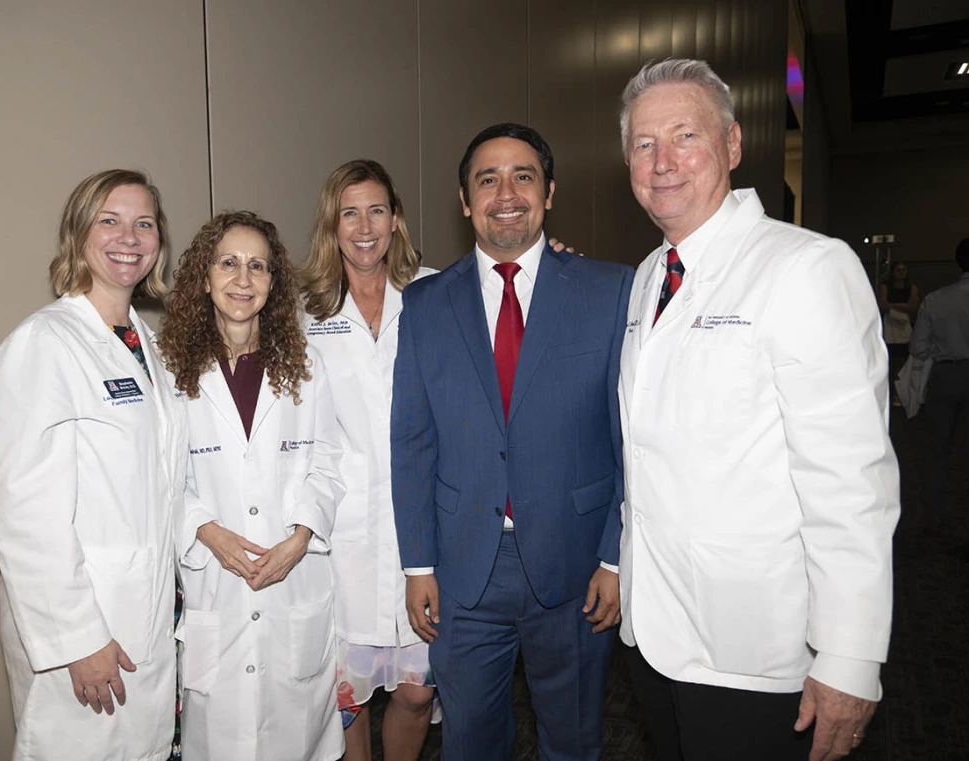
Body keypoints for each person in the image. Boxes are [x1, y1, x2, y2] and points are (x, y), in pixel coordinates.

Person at [616, 58, 899, 761]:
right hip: (653, 632)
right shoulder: (650, 275)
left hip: (754, 650)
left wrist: (850, 656)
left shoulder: (807, 268)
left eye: (685, 135)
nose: (663, 161)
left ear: (734, 144)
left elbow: (850, 480)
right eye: (644, 144)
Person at [391, 123, 633, 761]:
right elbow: (412, 441)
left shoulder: (610, 291)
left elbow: (629, 439)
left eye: (523, 176)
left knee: (575, 736)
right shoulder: (422, 305)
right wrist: (418, 565)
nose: (506, 192)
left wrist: (613, 555)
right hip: (463, 571)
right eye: (487, 179)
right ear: (465, 200)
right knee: (470, 742)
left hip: (576, 564)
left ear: (549, 192)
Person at [0, 169, 188, 761]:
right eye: (110, 220)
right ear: (79, 235)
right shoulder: (43, 344)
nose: (129, 236)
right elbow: (24, 513)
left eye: (144, 223)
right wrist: (77, 640)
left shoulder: (145, 346)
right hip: (87, 629)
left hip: (148, 616)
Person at [159, 210, 345, 761]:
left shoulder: (306, 363)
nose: (243, 279)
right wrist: (206, 531)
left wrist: (301, 537)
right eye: (229, 263)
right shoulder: (169, 369)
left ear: (273, 282)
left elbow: (330, 461)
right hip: (216, 585)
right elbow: (162, 476)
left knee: (296, 739)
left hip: (295, 580)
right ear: (205, 276)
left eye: (258, 266)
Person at [298, 159, 439, 761]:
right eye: (348, 212)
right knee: (344, 693)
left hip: (421, 529)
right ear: (332, 225)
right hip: (338, 532)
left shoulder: (435, 293)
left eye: (376, 210)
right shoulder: (303, 311)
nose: (363, 226)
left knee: (415, 691)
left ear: (395, 219)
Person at [909, 238, 969, 536]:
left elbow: (918, 348)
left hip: (947, 376)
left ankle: (934, 515)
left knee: (937, 449)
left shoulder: (936, 299)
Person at [879, 261, 920, 402]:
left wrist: (894, 305)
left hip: (904, 327)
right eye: (898, 270)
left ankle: (901, 393)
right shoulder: (885, 287)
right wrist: (902, 306)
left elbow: (913, 307)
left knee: (902, 361)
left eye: (904, 270)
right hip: (889, 327)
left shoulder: (911, 287)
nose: (901, 273)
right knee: (889, 361)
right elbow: (883, 305)